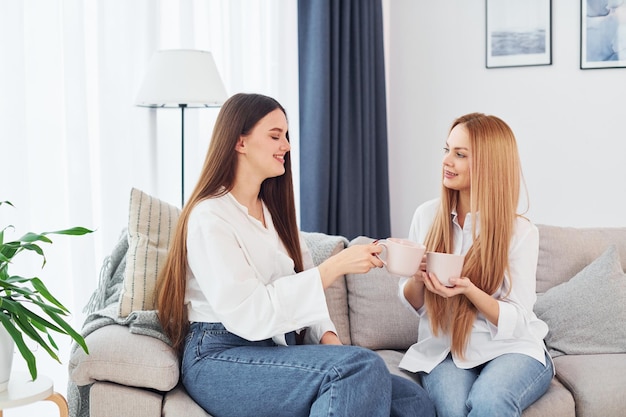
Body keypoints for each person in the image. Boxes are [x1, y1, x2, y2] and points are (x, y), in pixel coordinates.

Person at [156, 93, 435, 417]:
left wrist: (332, 343)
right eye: (275, 136)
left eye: (286, 136)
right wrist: (336, 267)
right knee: (358, 368)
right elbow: (249, 312)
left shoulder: (275, 217)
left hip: (270, 350)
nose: (286, 145)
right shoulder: (210, 217)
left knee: (412, 400)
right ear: (240, 142)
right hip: (219, 355)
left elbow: (305, 296)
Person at [397, 113, 554, 417]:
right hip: (446, 349)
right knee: (453, 410)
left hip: (511, 348)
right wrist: (417, 278)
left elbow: (519, 318)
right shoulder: (427, 216)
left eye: (460, 154)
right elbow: (414, 305)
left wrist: (469, 291)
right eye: (447, 150)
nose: (447, 161)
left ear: (488, 164)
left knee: (490, 401)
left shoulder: (519, 232)